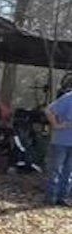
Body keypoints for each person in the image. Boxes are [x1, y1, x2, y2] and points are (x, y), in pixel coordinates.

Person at [43, 77, 72, 205]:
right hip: (61, 140)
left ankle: (62, 197)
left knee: (69, 171)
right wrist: (56, 125)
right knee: (55, 169)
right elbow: (49, 111)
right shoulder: (68, 98)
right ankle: (50, 197)